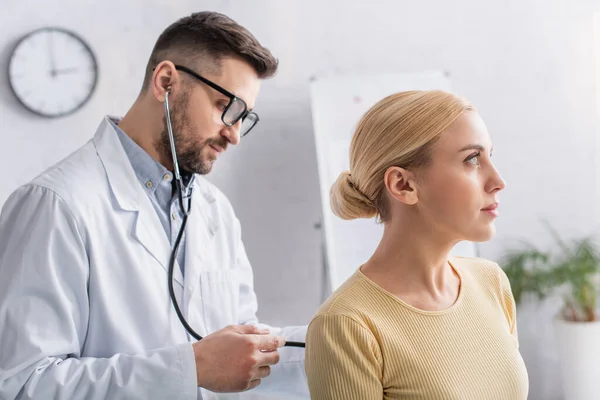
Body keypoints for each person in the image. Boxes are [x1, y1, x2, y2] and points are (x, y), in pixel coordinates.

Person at [0, 11, 307, 400]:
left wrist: (334, 342)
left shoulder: (215, 210)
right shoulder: (56, 205)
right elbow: (23, 384)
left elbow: (242, 348)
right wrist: (192, 367)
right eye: (225, 107)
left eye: (243, 117)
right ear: (166, 82)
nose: (234, 135)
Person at [305, 90, 529, 399]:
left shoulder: (490, 282)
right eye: (472, 159)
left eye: (490, 156)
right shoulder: (345, 324)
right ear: (403, 185)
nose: (498, 180)